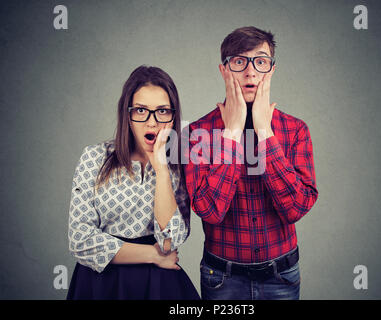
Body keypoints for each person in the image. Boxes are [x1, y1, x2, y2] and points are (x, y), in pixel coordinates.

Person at [184, 26, 318, 300]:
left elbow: (295, 208)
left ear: (271, 70)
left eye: (260, 61)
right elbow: (209, 210)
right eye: (238, 61)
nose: (250, 72)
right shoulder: (198, 134)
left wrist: (264, 132)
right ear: (224, 70)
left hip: (282, 277)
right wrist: (231, 134)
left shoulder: (295, 130)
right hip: (221, 280)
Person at [66, 65, 200, 300]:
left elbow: (169, 242)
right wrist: (152, 255)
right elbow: (80, 239)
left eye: (162, 111)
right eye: (141, 110)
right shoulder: (94, 157)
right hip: (99, 284)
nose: (152, 123)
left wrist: (161, 169)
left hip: (157, 286)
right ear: (127, 116)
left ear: (173, 115)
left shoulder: (179, 166)